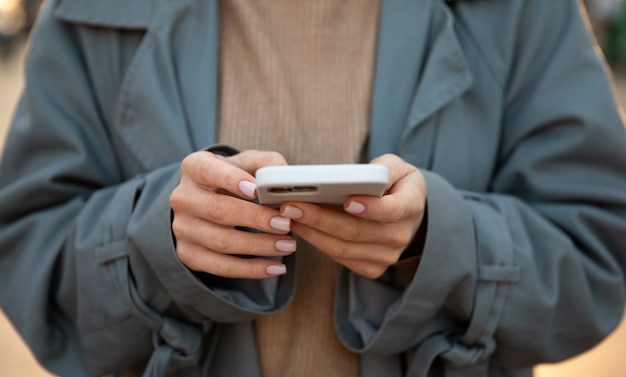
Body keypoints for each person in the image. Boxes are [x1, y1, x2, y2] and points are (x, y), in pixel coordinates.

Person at [1, 0, 626, 376]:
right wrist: (157, 240)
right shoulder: (91, 9)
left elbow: (600, 255)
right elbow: (26, 253)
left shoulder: (524, 12)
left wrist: (439, 240)